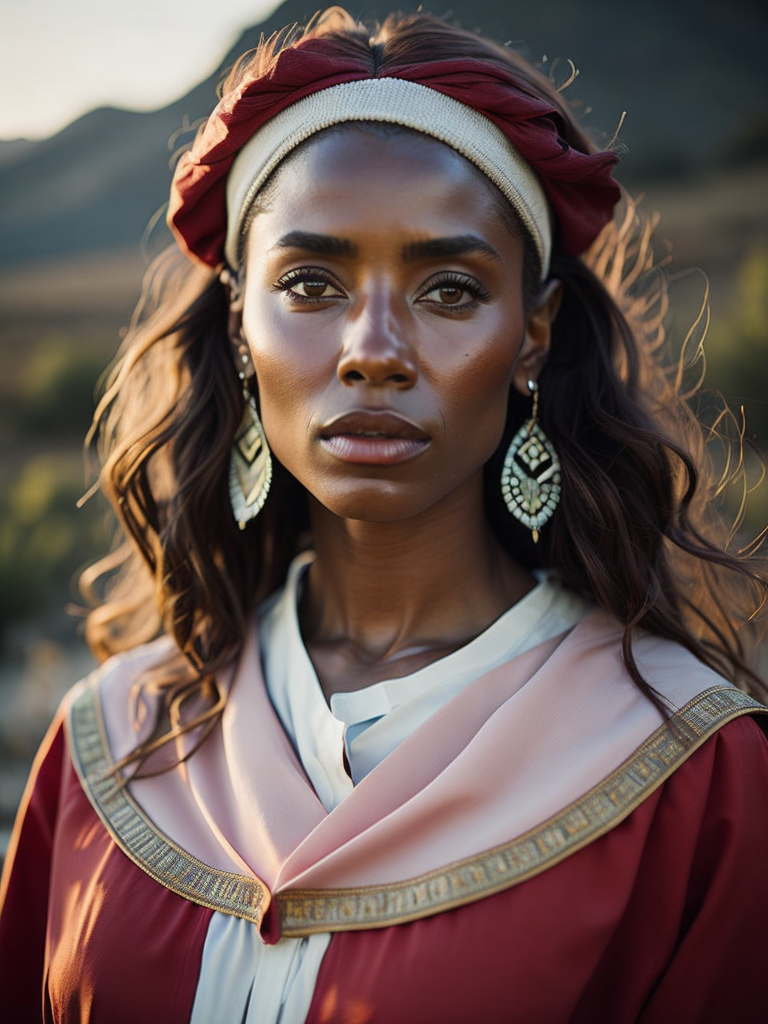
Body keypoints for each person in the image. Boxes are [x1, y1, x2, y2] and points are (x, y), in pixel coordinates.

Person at [1, 7, 767, 1022]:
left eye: (450, 289)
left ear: (530, 336)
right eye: (310, 282)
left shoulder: (690, 770)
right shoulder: (111, 737)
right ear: (240, 324)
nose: (373, 347)